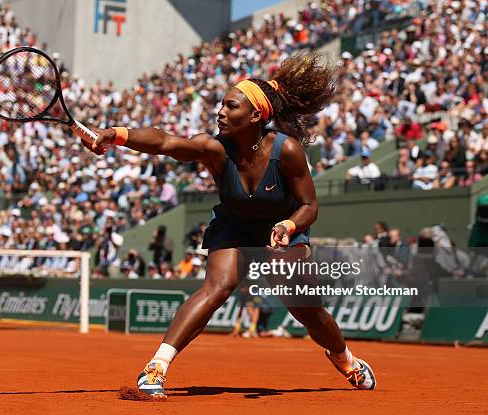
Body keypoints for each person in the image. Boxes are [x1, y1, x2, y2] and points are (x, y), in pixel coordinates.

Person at [87, 51, 376, 397]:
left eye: (230, 106)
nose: (220, 112)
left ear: (255, 115)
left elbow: (309, 206)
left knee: (308, 311)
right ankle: (156, 367)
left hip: (282, 231)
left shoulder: (287, 151)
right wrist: (117, 135)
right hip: (234, 227)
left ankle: (345, 359)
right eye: (221, 105)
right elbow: (166, 142)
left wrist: (287, 226)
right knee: (217, 287)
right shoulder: (214, 148)